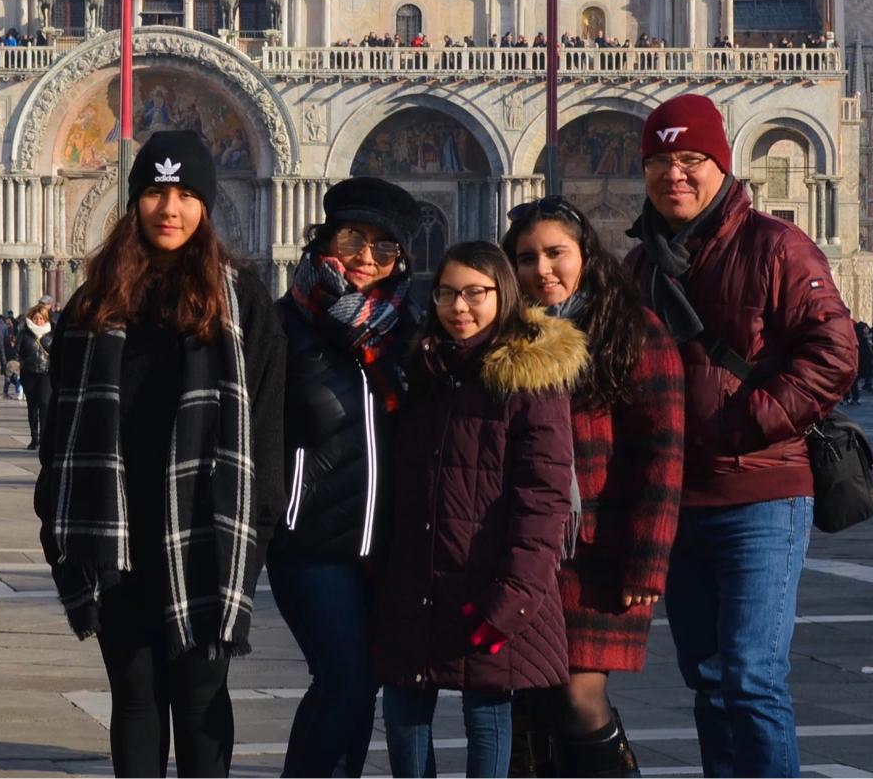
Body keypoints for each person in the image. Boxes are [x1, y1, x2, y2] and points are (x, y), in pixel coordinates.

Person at [34, 131, 286, 778]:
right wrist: (56, 526)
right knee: (137, 696)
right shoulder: (94, 303)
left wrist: (253, 531)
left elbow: (263, 425)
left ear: (205, 204)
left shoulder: (244, 301)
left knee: (201, 696)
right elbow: (61, 427)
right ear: (133, 200)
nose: (168, 208)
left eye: (184, 194)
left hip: (208, 530)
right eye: (153, 191)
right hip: (115, 534)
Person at [624, 94, 856, 778]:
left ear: (720, 164)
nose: (676, 174)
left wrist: (744, 424)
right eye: (661, 160)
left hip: (761, 494)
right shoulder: (639, 266)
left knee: (752, 677)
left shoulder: (776, 245)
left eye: (692, 159)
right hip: (678, 501)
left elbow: (835, 353)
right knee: (708, 678)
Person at [372, 241, 581, 779]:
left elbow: (545, 498)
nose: (458, 307)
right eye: (446, 293)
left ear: (502, 295)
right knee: (403, 704)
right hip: (418, 579)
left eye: (474, 293)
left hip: (490, 583)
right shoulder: (423, 371)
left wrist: (513, 599)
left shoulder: (530, 380)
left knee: (487, 708)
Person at [503, 197, 685, 776]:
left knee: (580, 698)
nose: (543, 270)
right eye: (527, 258)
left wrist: (647, 565)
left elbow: (663, 453)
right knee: (532, 699)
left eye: (556, 253)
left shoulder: (630, 328)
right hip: (527, 548)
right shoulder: (506, 335)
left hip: (599, 549)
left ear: (586, 255)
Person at [269, 177, 424, 779]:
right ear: (324, 239)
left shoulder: (406, 330)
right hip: (310, 544)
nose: (366, 257)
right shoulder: (282, 326)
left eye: (384, 249)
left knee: (361, 687)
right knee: (345, 677)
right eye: (353, 238)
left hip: (385, 546)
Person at [18, 302, 53, 451]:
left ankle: (45, 438)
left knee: (45, 403)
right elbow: (17, 351)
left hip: (46, 373)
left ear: (46, 320)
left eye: (42, 318)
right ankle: (34, 438)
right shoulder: (24, 334)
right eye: (36, 318)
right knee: (33, 406)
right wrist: (13, 364)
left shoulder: (52, 333)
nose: (39, 321)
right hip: (29, 373)